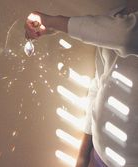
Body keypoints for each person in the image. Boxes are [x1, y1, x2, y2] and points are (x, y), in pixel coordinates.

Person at [25, 0, 138, 166]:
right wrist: (84, 154)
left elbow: (125, 36)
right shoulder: (110, 18)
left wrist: (55, 23)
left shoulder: (121, 31)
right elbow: (98, 86)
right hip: (99, 156)